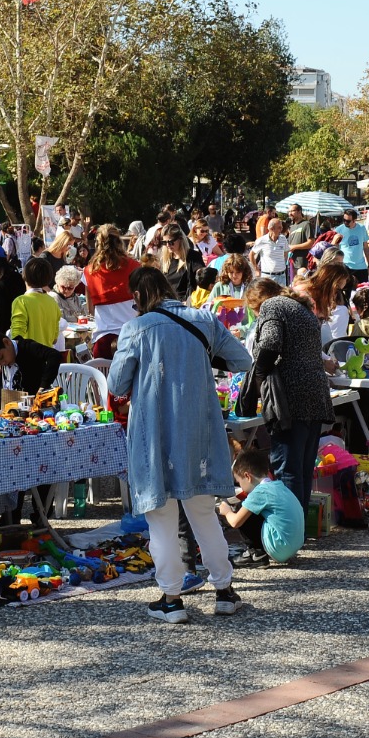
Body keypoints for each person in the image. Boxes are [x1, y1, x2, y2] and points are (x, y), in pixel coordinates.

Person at [109, 267, 252, 623]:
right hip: (198, 433)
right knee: (204, 514)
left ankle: (172, 600)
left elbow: (116, 384)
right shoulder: (203, 319)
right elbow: (242, 360)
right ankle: (224, 591)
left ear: (138, 296)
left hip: (155, 435)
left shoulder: (136, 329)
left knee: (161, 520)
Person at [243, 278, 333, 510]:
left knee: (287, 469)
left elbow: (271, 342)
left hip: (291, 397)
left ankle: (289, 529)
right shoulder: (300, 307)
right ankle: (299, 526)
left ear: (258, 300)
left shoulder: (273, 306)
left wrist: (258, 376)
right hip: (315, 393)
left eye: (254, 309)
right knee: (302, 468)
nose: (256, 313)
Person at [217, 448, 303, 566]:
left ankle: (256, 553)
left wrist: (226, 511)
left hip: (280, 549)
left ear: (247, 476)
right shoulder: (278, 485)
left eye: (239, 482)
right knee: (252, 506)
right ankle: (261, 550)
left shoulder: (260, 492)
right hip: (294, 545)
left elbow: (235, 522)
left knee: (242, 507)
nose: (240, 486)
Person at [85, 224, 140, 360]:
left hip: (104, 340)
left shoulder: (89, 271)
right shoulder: (134, 266)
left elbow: (90, 309)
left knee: (102, 380)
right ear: (119, 241)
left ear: (98, 243)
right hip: (133, 336)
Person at [0, 328, 61, 394]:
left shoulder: (27, 348)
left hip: (34, 406)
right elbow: (4, 378)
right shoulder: (7, 357)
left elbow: (54, 355)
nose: (2, 363)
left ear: (7, 342)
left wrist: (43, 386)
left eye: (1, 357)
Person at [12, 256, 61, 349]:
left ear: (24, 275)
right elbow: (55, 339)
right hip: (47, 357)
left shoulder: (21, 301)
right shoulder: (52, 302)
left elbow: (17, 336)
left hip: (28, 357)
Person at [334, 208, 369, 287]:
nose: (345, 222)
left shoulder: (362, 228)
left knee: (363, 292)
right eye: (344, 220)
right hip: (345, 266)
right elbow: (335, 249)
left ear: (354, 220)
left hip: (361, 266)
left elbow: (366, 247)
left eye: (348, 221)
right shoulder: (339, 230)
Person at [250, 217, 290, 281]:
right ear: (271, 229)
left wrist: (282, 264)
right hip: (268, 277)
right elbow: (251, 254)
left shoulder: (283, 239)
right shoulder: (262, 240)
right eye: (279, 228)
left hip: (282, 276)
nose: (281, 230)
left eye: (281, 227)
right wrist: (256, 269)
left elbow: (286, 252)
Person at [283, 204, 315, 271]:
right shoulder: (291, 227)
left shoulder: (306, 224)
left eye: (292, 211)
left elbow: (311, 243)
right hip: (291, 262)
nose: (290, 213)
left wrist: (294, 247)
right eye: (289, 211)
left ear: (299, 211)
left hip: (302, 262)